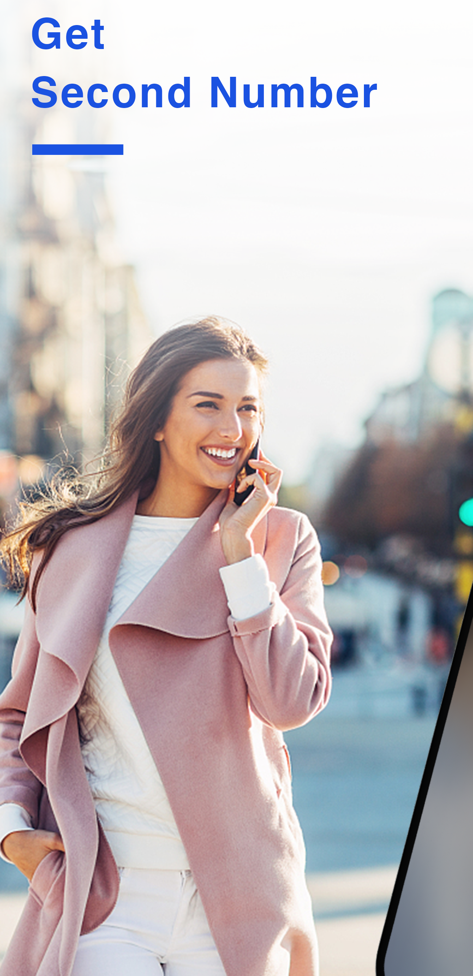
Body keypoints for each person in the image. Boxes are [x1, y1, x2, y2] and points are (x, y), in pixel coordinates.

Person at [0, 316, 332, 976]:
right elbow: (19, 714)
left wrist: (240, 557)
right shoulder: (71, 547)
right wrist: (13, 831)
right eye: (206, 404)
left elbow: (291, 702)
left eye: (247, 408)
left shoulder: (279, 539)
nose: (231, 429)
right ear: (156, 418)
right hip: (105, 894)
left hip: (239, 898)